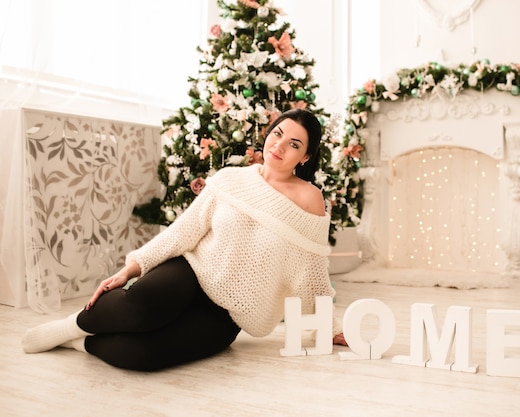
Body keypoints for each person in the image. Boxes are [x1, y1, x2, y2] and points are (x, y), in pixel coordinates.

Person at [22, 108, 346, 371]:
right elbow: (184, 231)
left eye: (294, 144)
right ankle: (71, 327)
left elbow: (312, 271)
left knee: (144, 356)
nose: (279, 146)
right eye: (277, 134)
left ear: (305, 157)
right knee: (139, 310)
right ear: (267, 135)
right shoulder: (232, 178)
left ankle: (82, 343)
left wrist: (330, 328)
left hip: (227, 315)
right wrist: (132, 268)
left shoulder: (310, 200)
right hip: (190, 272)